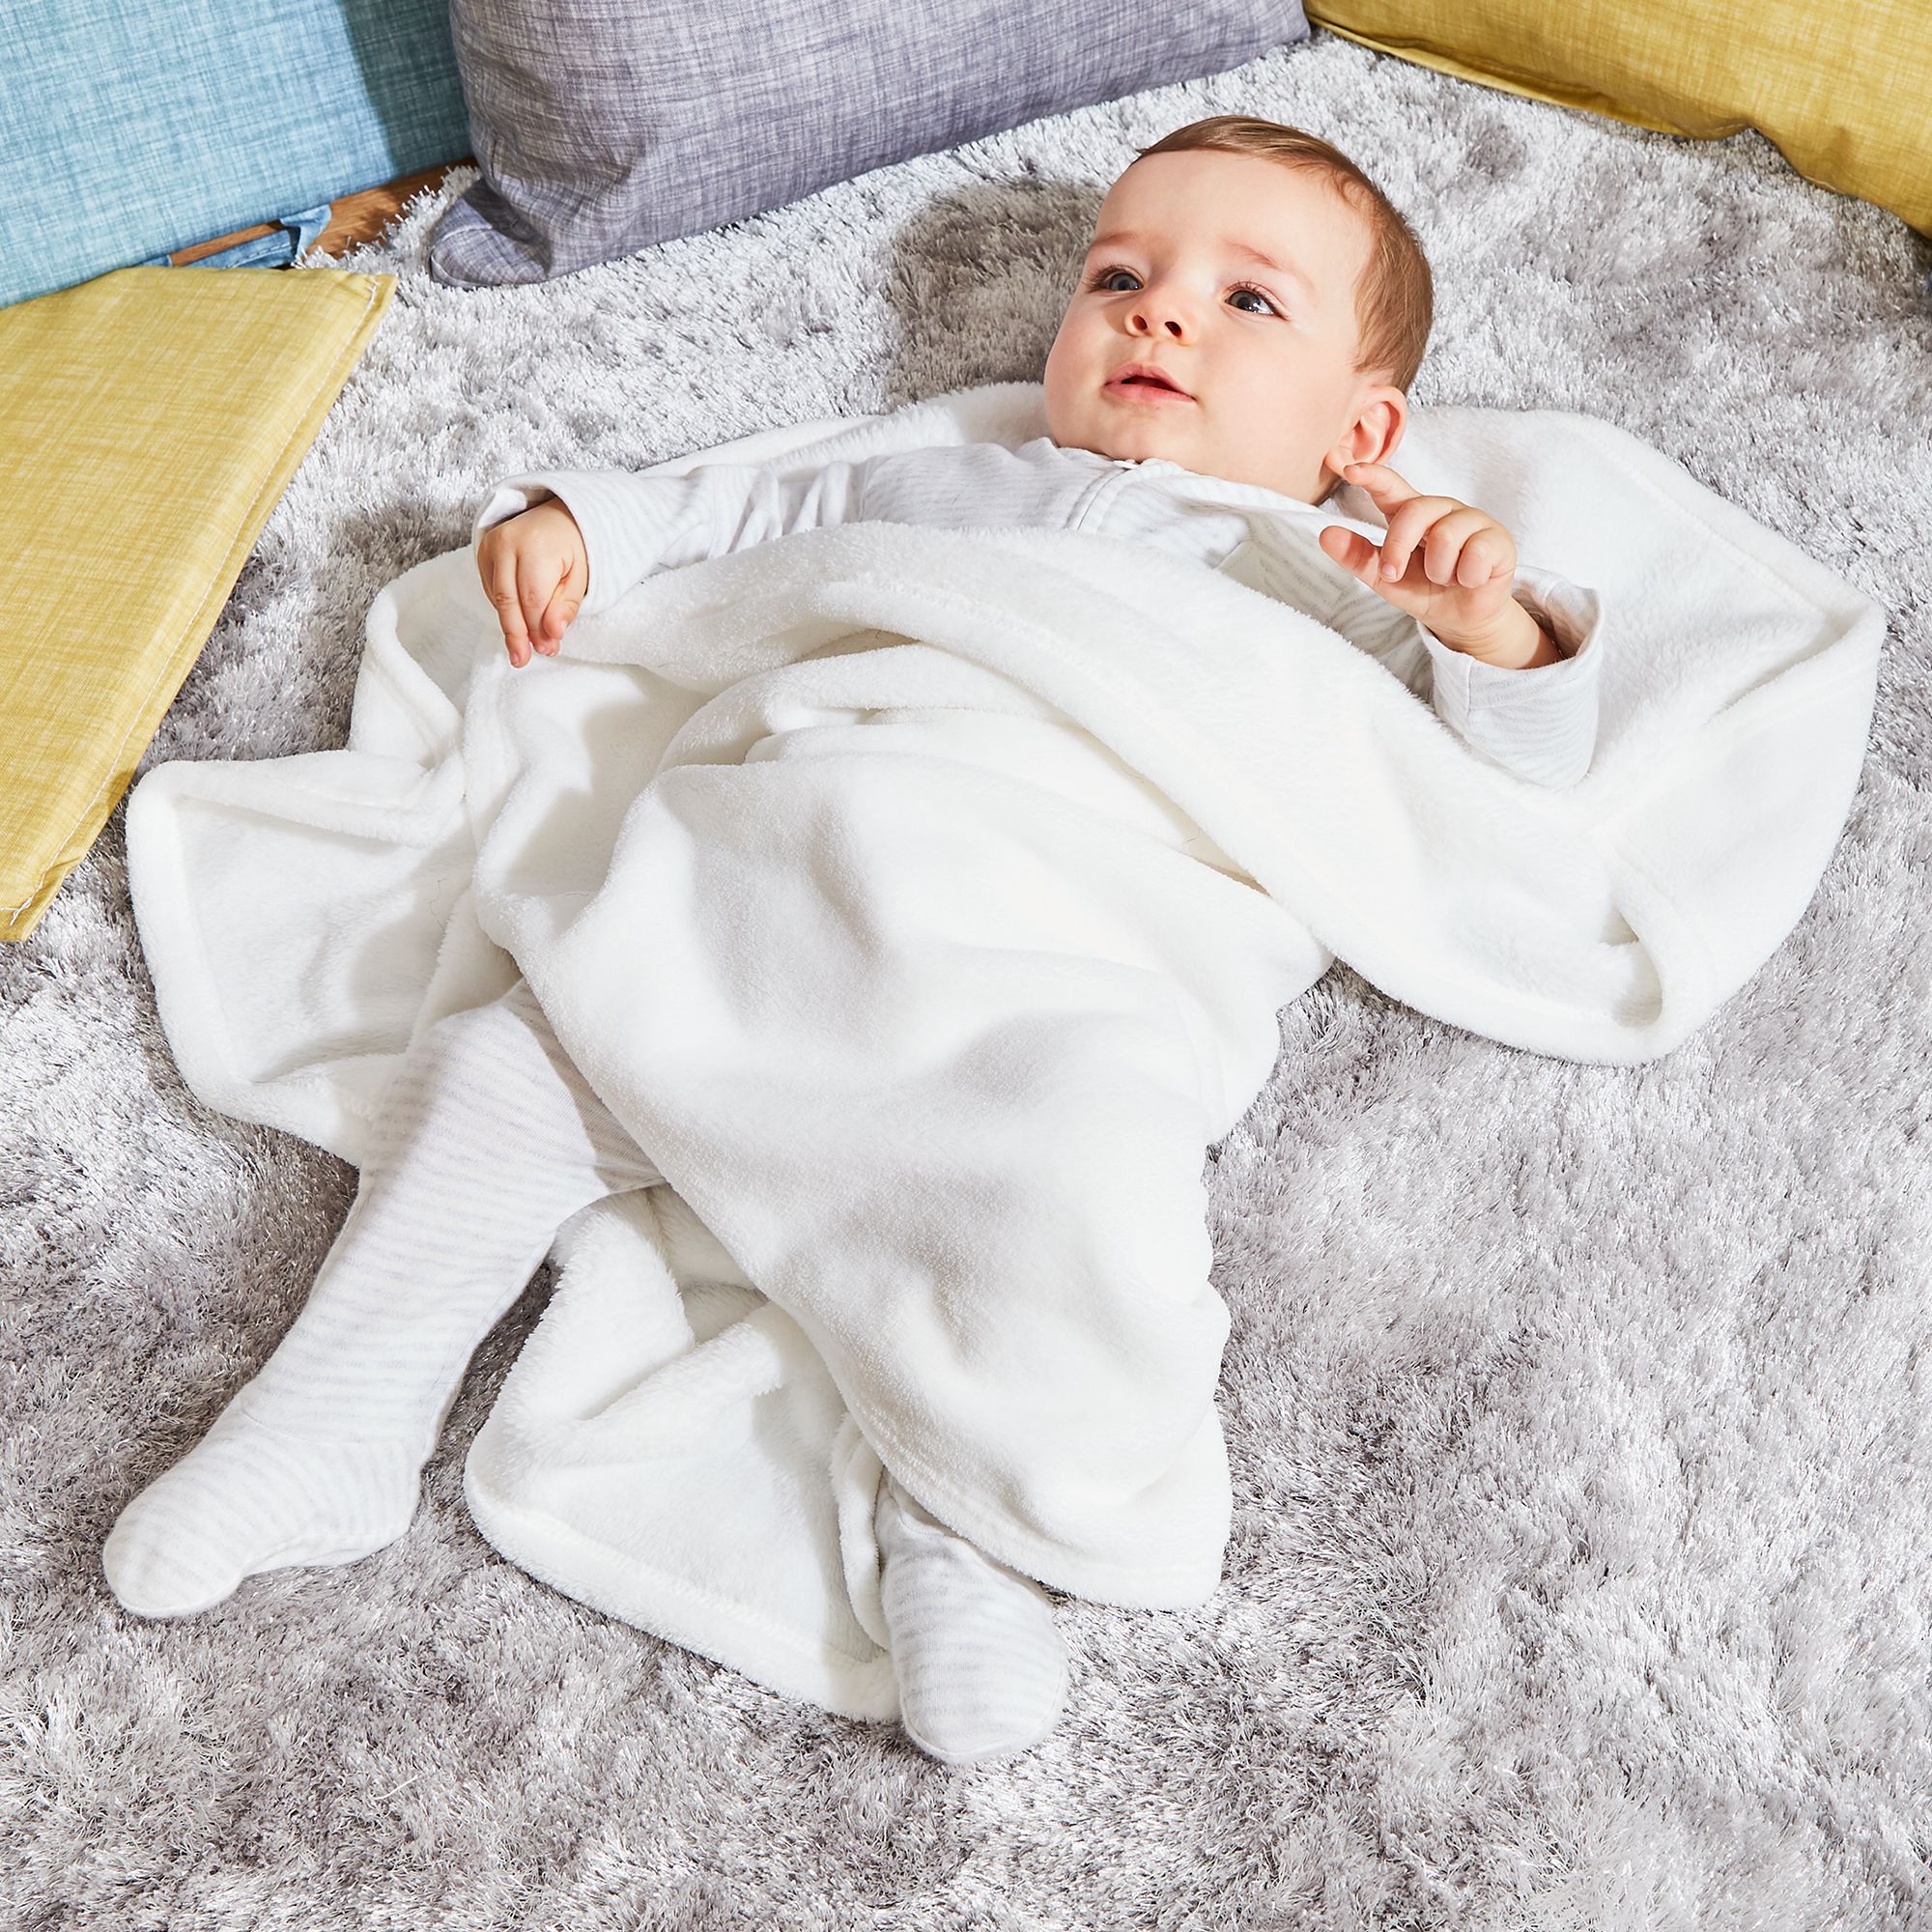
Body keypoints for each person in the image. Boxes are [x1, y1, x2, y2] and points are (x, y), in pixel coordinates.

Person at [103, 115, 1602, 1768]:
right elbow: (749, 506)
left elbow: (1507, 789)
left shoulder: (1341, 579)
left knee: (1065, 1190)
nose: (1161, 312)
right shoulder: (948, 468)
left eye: (1249, 302)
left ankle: (960, 1534)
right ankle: (334, 1410)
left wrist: (1493, 628)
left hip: (1066, 957)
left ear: (1362, 430)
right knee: (501, 1069)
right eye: (1120, 277)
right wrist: (585, 527)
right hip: (784, 865)